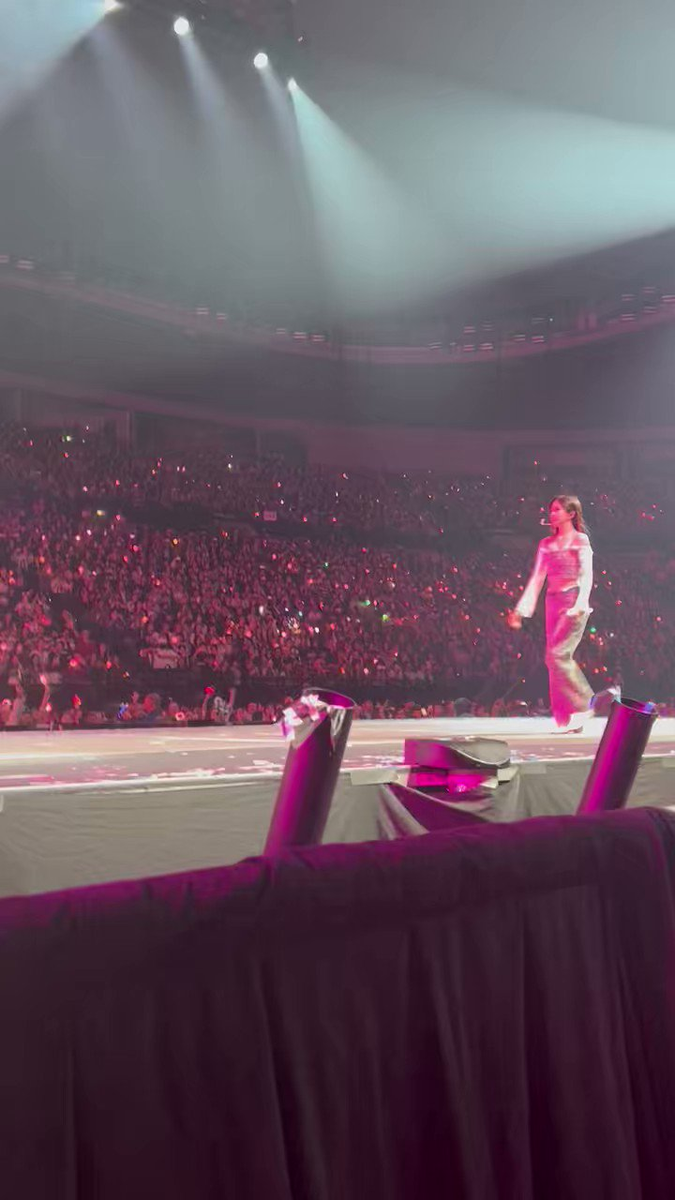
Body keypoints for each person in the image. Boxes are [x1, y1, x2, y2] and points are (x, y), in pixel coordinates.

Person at [507, 495, 594, 732]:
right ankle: (566, 718)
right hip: (552, 602)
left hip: (572, 600)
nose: (552, 514)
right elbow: (537, 578)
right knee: (552, 659)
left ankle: (585, 703)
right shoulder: (546, 544)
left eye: (557, 510)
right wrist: (520, 610)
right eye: (551, 510)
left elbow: (586, 574)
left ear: (571, 514)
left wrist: (581, 602)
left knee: (557, 656)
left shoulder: (580, 540)